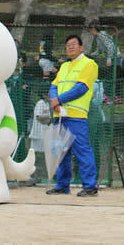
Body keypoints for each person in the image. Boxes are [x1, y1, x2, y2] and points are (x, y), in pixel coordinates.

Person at [45, 35, 99, 197]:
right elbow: (54, 86)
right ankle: (62, 186)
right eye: (68, 45)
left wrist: (58, 100)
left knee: (82, 151)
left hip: (76, 115)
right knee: (60, 152)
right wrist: (55, 100)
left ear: (82, 48)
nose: (70, 47)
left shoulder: (89, 64)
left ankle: (90, 186)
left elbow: (81, 88)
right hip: (60, 114)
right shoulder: (64, 66)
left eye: (74, 44)